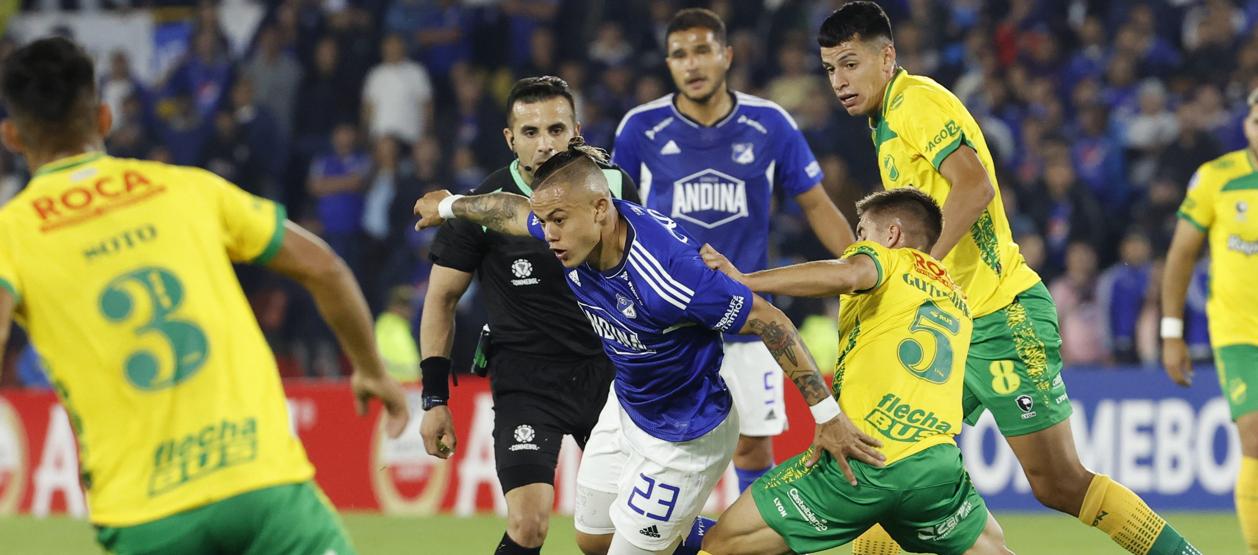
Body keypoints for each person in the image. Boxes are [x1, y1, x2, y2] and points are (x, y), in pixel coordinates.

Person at [0, 37, 408, 554]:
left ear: (12, 136)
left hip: (145, 516)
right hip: (262, 487)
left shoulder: (10, 232)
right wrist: (370, 367)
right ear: (104, 118)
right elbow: (323, 265)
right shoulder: (188, 187)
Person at [815, 4, 1199, 555]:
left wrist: (923, 267)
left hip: (1000, 314)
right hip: (949, 324)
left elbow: (974, 188)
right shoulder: (885, 125)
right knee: (884, 472)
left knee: (1059, 483)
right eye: (831, 70)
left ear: (887, 56)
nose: (841, 81)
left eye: (850, 64)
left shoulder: (916, 102)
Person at [414, 141, 883, 555]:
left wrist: (828, 418)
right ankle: (716, 539)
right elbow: (510, 211)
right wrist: (452, 205)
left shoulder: (672, 274)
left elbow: (769, 319)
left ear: (601, 208)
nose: (548, 234)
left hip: (684, 433)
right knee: (593, 539)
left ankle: (754, 543)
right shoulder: (569, 225)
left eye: (556, 221)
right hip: (627, 408)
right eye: (545, 222)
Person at [612, 7, 854, 493]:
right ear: (668, 63)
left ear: (727, 55)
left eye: (702, 50)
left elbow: (815, 204)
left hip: (745, 309)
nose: (692, 64)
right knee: (664, 447)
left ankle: (753, 539)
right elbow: (616, 217)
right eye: (680, 54)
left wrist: (861, 264)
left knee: (752, 446)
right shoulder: (641, 128)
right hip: (669, 316)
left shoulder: (769, 123)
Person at [699, 188, 1012, 554]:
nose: (857, 244)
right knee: (993, 545)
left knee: (724, 541)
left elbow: (848, 274)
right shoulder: (955, 297)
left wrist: (746, 280)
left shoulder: (888, 261)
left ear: (892, 235)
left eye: (862, 233)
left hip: (864, 458)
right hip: (937, 469)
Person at [418, 76, 640, 555]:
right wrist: (434, 398)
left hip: (607, 374)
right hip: (527, 380)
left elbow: (642, 279)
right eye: (532, 132)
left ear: (577, 131)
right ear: (510, 138)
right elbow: (440, 299)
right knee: (529, 523)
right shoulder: (480, 204)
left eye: (557, 130)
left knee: (620, 531)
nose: (545, 144)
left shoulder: (613, 188)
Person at [1162, 87, 1258, 555]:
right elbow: (1181, 256)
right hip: (1240, 333)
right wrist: (1171, 332)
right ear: (1246, 124)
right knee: (1254, 432)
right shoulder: (1216, 179)